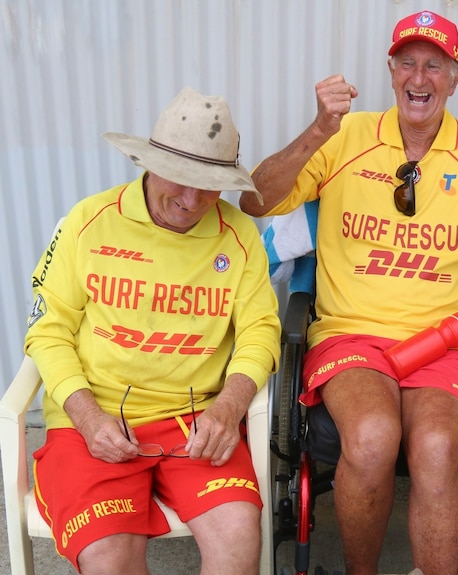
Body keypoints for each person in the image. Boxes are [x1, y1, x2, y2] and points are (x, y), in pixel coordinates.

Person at [241, 10, 458, 575]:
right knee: (369, 438)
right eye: (408, 63)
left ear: (456, 76)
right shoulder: (345, 138)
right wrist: (318, 128)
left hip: (448, 344)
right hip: (352, 338)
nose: (421, 78)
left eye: (434, 65)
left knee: (439, 448)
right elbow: (255, 202)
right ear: (391, 71)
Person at [25, 87, 281, 575]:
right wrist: (86, 417)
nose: (191, 200)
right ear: (148, 162)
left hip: (195, 422)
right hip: (92, 421)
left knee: (238, 539)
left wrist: (229, 408)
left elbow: (260, 331)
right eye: (181, 179)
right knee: (109, 559)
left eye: (209, 184)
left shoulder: (240, 236)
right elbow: (47, 331)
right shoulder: (87, 222)